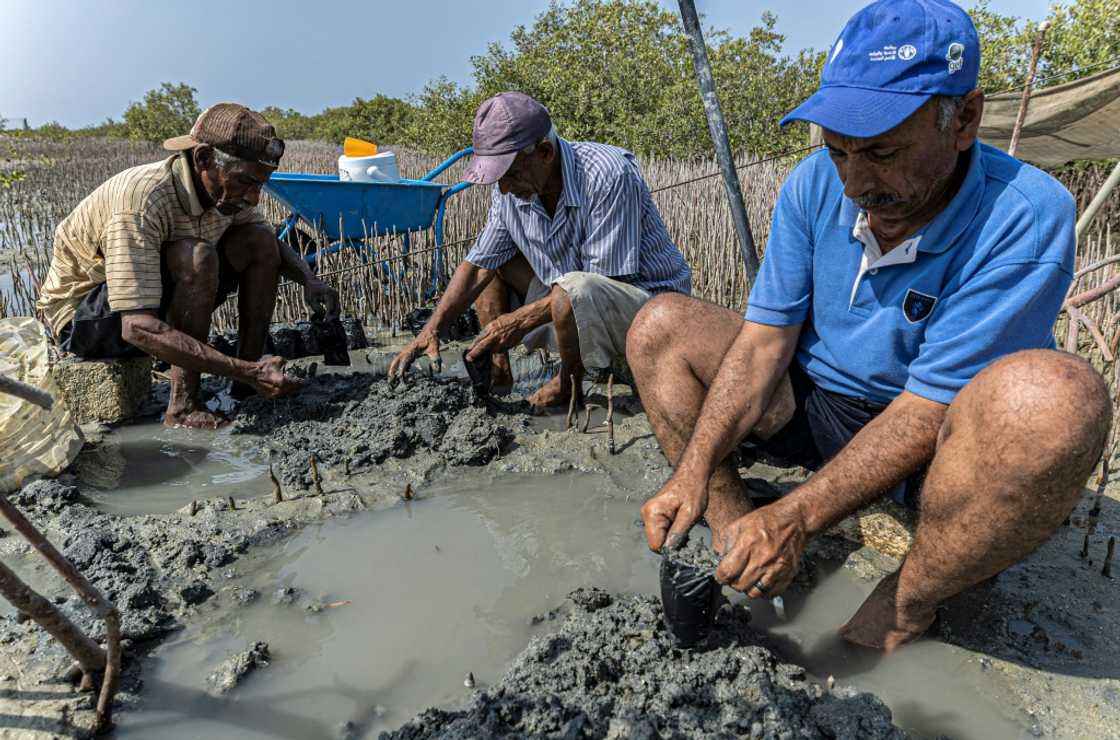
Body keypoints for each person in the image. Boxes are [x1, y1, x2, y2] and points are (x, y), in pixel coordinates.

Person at [626, 0, 1112, 651]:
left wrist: (796, 514)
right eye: (839, 153)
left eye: (882, 152)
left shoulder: (1024, 214)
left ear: (964, 119)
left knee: (1056, 401)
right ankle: (737, 535)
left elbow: (923, 411)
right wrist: (694, 468)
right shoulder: (812, 186)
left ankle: (910, 601)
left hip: (937, 441)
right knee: (659, 327)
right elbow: (764, 342)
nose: (855, 181)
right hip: (816, 404)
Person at [36, 103, 339, 428]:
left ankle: (246, 387)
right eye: (245, 183)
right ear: (204, 159)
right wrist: (243, 368)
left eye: (259, 185)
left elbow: (267, 243)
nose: (252, 198)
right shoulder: (141, 203)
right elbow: (136, 327)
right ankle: (184, 404)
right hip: (86, 320)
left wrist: (309, 279)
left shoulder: (225, 191)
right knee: (197, 257)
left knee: (259, 240)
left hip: (151, 298)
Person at [388, 92, 690, 408]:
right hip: (571, 302)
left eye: (511, 175)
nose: (503, 188)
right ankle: (498, 369)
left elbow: (594, 287)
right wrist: (431, 330)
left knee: (573, 289)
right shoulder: (511, 191)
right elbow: (480, 265)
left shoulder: (607, 174)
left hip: (648, 312)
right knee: (495, 265)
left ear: (545, 153)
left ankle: (568, 383)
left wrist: (517, 321)